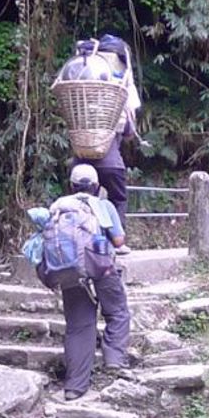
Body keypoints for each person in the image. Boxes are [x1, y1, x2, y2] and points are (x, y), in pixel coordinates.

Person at [53, 163, 130, 401]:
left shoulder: (58, 205)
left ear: (71, 185)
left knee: (78, 326)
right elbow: (118, 240)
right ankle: (114, 361)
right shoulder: (102, 205)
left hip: (68, 269)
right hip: (100, 264)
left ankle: (74, 387)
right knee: (117, 311)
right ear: (96, 187)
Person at [92, 34, 142, 225]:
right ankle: (117, 242)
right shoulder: (124, 84)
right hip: (109, 160)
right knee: (118, 199)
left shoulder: (86, 80)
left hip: (79, 160)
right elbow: (130, 130)